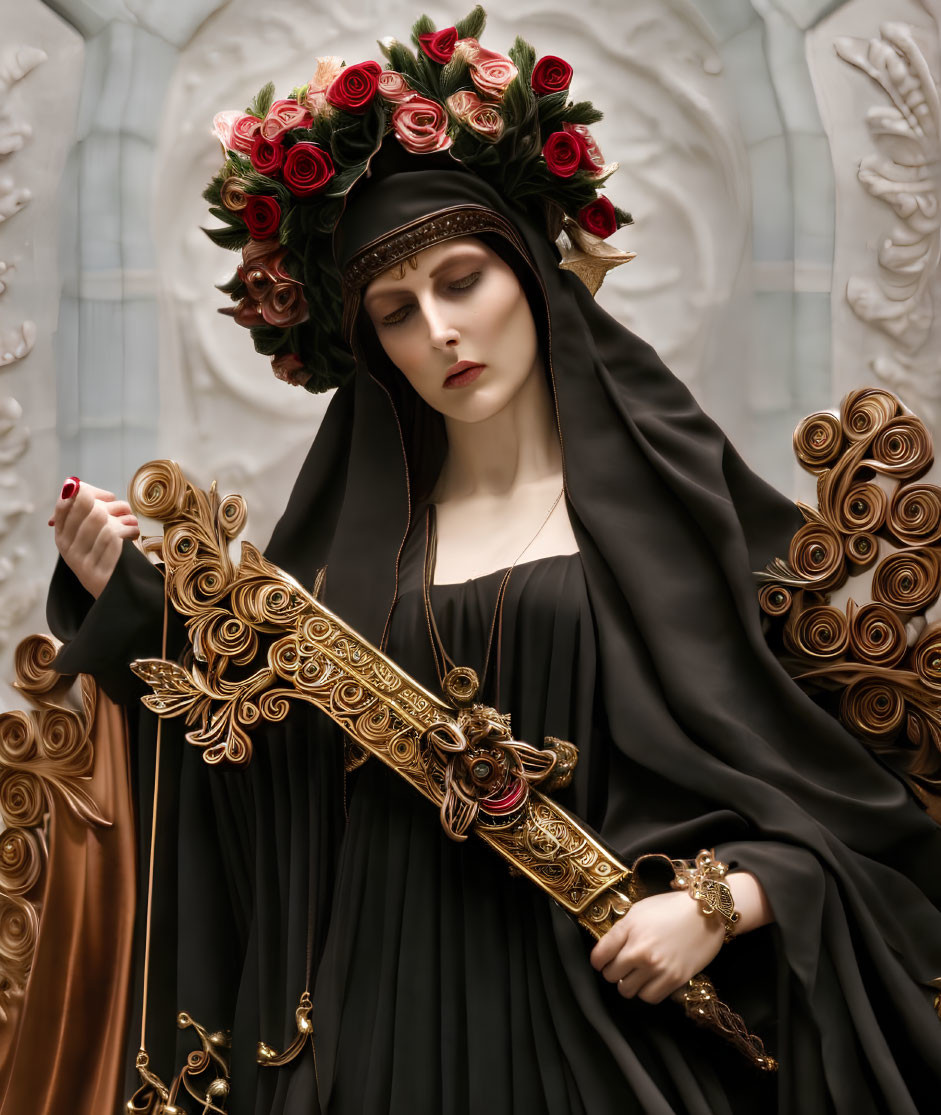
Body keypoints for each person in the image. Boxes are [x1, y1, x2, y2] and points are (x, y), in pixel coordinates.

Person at [42, 11, 941, 1115]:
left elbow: (854, 818)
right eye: (396, 312)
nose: (439, 332)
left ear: (530, 273)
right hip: (371, 1041)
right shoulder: (343, 563)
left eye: (461, 280)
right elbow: (265, 798)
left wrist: (721, 901)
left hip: (609, 1034)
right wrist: (137, 613)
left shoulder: (673, 525)